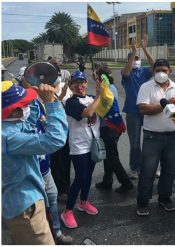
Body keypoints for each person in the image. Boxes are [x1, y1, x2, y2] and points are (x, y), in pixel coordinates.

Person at [2, 81, 67, 244]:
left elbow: (29, 124)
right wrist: (51, 104)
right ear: (15, 111)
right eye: (24, 104)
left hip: (25, 202)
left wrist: (33, 96)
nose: (28, 106)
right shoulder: (9, 138)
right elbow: (55, 140)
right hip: (26, 209)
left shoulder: (10, 124)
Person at [136, 59, 175, 216]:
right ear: (153, 71)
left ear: (170, 71)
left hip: (173, 136)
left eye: (164, 70)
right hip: (152, 137)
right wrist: (164, 104)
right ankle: (143, 202)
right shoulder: (146, 87)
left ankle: (164, 197)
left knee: (170, 170)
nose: (160, 73)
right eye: (157, 70)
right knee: (148, 171)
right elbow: (143, 109)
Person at [60, 71, 102, 229]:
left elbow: (106, 108)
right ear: (71, 86)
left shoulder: (91, 98)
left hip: (93, 144)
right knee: (80, 177)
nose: (80, 86)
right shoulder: (71, 102)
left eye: (82, 82)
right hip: (79, 146)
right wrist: (99, 96)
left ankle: (83, 202)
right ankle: (67, 210)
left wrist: (102, 89)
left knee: (88, 175)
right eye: (75, 83)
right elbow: (88, 113)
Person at [95, 66, 134, 193]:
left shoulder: (105, 89)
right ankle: (107, 180)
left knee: (112, 157)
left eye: (96, 75)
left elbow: (101, 107)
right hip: (114, 126)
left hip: (109, 126)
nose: (94, 76)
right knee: (109, 155)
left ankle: (126, 182)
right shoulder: (110, 87)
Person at [121, 36, 154, 179]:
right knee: (134, 142)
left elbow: (155, 66)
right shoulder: (125, 73)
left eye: (137, 58)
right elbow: (127, 72)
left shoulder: (145, 72)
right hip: (132, 112)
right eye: (133, 58)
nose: (135, 60)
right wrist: (133, 52)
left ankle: (149, 168)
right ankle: (135, 168)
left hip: (146, 110)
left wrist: (145, 50)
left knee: (151, 141)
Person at [50, 59, 73, 201]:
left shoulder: (66, 86)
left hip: (67, 129)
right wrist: (61, 96)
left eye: (57, 72)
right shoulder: (43, 90)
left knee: (66, 160)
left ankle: (66, 187)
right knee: (55, 161)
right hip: (53, 130)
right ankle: (58, 189)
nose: (57, 75)